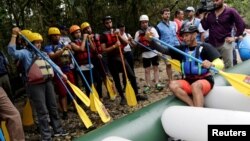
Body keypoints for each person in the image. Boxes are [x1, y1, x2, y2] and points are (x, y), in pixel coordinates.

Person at [8, 28, 68, 141]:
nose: (39, 44)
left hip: (47, 82)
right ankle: (46, 136)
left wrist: (61, 74)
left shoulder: (43, 53)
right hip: (35, 85)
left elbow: (53, 65)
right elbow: (12, 52)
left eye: (40, 42)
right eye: (36, 42)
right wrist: (14, 36)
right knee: (42, 111)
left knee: (53, 107)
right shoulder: (25, 53)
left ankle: (58, 130)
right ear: (30, 43)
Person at [150, 22, 224, 107]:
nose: (184, 38)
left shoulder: (205, 47)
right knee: (172, 84)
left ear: (195, 34)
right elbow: (164, 50)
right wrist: (151, 41)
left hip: (205, 80)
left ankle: (199, 112)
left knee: (195, 86)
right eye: (183, 36)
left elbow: (220, 63)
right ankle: (192, 106)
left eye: (187, 35)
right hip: (188, 81)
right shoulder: (181, 49)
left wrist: (212, 64)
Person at [100, 16, 147, 105]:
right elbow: (103, 50)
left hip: (121, 56)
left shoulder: (116, 32)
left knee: (131, 75)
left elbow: (125, 43)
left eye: (110, 22)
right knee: (117, 79)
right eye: (107, 23)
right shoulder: (103, 35)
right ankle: (122, 97)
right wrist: (114, 46)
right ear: (104, 24)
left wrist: (119, 36)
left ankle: (136, 94)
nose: (109, 24)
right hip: (111, 59)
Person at [201, 0, 245, 68]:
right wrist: (203, 17)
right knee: (214, 67)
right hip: (212, 44)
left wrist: (235, 37)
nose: (215, 2)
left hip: (225, 43)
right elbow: (205, 27)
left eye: (217, 0)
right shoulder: (210, 13)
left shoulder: (230, 11)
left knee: (228, 67)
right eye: (213, 1)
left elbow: (241, 24)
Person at [44, 27, 75, 120]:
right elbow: (52, 56)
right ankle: (64, 111)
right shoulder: (48, 47)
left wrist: (70, 49)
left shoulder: (64, 44)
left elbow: (72, 54)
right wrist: (62, 49)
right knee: (62, 93)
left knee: (73, 90)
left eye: (57, 35)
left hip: (68, 69)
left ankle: (76, 107)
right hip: (58, 72)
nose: (56, 37)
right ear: (50, 37)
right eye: (54, 36)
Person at [134, 14, 164, 94]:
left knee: (156, 68)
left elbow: (158, 41)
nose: (144, 24)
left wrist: (159, 51)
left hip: (153, 52)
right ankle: (148, 85)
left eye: (146, 22)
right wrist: (130, 40)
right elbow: (134, 44)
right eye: (143, 22)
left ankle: (157, 83)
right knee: (147, 70)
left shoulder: (152, 29)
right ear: (140, 23)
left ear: (148, 22)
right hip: (145, 53)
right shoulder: (138, 33)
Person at [156, 8, 180, 81]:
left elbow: (176, 35)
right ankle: (170, 80)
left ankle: (182, 77)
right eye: (166, 14)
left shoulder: (174, 24)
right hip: (166, 49)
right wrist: (159, 50)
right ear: (162, 15)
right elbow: (158, 39)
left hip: (176, 46)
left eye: (168, 14)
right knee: (168, 65)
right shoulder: (158, 26)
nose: (167, 15)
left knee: (180, 63)